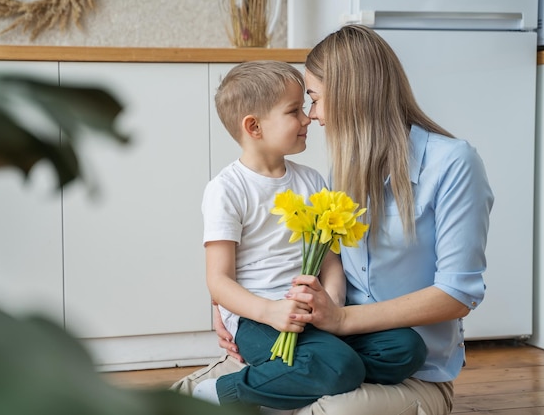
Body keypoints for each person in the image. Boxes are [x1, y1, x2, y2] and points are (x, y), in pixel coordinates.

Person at [175, 26, 493, 415]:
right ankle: (250, 387)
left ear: (351, 94)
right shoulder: (343, 170)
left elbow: (457, 293)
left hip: (372, 351)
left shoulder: (452, 164)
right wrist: (232, 304)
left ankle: (281, 384)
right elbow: (238, 263)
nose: (312, 115)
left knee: (389, 356)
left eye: (313, 99)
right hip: (316, 333)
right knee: (330, 369)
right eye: (301, 107)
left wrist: (339, 315)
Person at [192, 60, 427, 412]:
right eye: (294, 111)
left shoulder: (312, 180)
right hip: (260, 320)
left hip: (316, 315)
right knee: (339, 365)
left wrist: (331, 305)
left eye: (305, 107)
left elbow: (329, 259)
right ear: (254, 126)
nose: (307, 119)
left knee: (407, 347)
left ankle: (301, 376)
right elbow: (218, 280)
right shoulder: (227, 190)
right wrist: (270, 312)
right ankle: (220, 393)